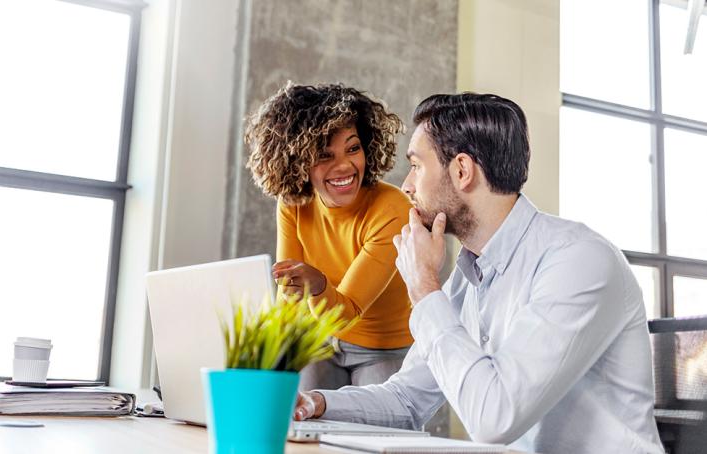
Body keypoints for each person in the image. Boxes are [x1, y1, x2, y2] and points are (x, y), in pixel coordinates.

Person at [292, 93, 664, 454]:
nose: (406, 185)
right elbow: (406, 399)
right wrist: (318, 403)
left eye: (417, 166)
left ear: (462, 171)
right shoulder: (468, 278)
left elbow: (494, 420)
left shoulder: (578, 261)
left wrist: (424, 288)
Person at [244, 82, 414, 391]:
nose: (345, 166)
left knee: (374, 432)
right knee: (301, 425)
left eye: (353, 148)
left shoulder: (392, 209)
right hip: (320, 338)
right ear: (298, 163)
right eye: (324, 155)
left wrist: (316, 283)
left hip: (382, 348)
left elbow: (346, 311)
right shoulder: (294, 204)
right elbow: (289, 296)